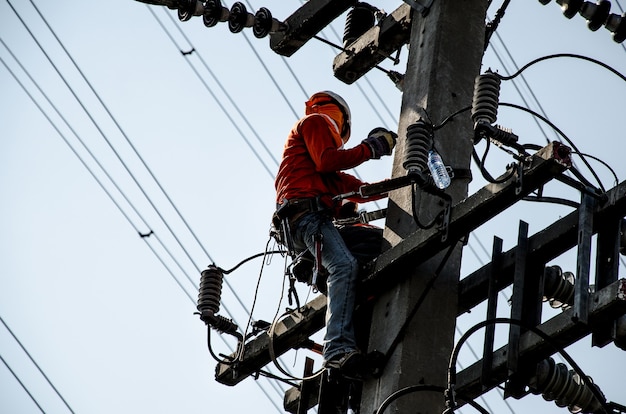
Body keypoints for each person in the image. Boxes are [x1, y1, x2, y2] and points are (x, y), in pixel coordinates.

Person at [274, 90, 397, 379]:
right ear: (340, 121)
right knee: (344, 265)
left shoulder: (316, 168)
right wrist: (371, 148)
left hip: (299, 224)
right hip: (307, 218)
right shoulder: (316, 122)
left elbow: (358, 189)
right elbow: (330, 160)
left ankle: (354, 331)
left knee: (362, 250)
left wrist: (402, 182)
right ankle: (338, 351)